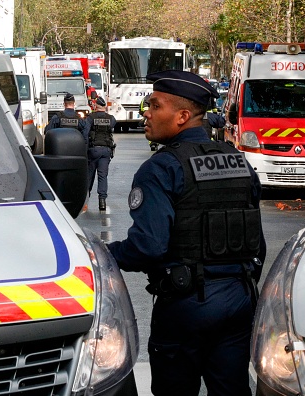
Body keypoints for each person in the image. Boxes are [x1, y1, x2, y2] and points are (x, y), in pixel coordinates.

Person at [107, 70, 266, 396]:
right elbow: (257, 244)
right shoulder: (239, 161)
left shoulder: (162, 168)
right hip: (239, 299)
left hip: (185, 303)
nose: (145, 113)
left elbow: (148, 247)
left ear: (182, 116)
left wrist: (107, 254)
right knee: (232, 388)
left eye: (154, 105)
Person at [82, 96, 116, 211]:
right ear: (105, 107)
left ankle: (85, 202)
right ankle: (102, 202)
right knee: (102, 176)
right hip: (106, 151)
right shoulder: (111, 118)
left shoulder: (91, 118)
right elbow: (112, 126)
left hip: (93, 150)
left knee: (89, 176)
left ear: (96, 106)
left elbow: (85, 133)